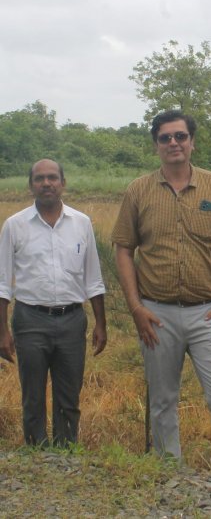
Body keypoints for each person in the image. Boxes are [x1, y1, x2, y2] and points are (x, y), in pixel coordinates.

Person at [111, 110, 211, 480]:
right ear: (156, 145)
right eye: (165, 137)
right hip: (157, 314)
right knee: (162, 400)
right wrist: (136, 308)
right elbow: (123, 248)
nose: (174, 143)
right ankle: (170, 478)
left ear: (192, 142)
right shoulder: (138, 191)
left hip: (209, 314)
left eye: (180, 136)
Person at [0, 159, 107, 446]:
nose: (46, 183)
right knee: (32, 395)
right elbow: (2, 283)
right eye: (39, 179)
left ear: (63, 183)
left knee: (69, 395)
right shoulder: (15, 225)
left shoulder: (81, 223)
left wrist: (101, 324)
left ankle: (66, 452)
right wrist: (2, 331)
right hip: (30, 319)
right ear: (30, 185)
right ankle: (37, 453)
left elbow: (93, 279)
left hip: (72, 320)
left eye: (52, 178)